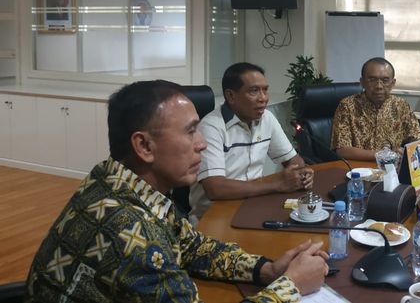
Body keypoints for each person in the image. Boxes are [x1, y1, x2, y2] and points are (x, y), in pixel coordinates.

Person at [25, 80, 328, 303]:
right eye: (190, 131)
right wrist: (291, 285)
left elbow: (192, 247)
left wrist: (266, 269)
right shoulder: (130, 230)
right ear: (144, 146)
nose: (202, 143)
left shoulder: (115, 180)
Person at [189, 63, 313, 222]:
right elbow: (215, 188)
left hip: (254, 205)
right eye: (254, 91)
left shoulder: (266, 118)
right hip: (214, 216)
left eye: (265, 90)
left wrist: (301, 173)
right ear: (231, 96)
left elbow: (293, 160)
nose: (263, 98)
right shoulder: (211, 127)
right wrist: (277, 183)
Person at [331, 57, 420, 161]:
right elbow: (342, 150)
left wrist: (411, 153)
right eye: (372, 80)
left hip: (393, 170)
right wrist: (383, 156)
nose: (379, 86)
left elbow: (418, 139)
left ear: (393, 83)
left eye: (385, 80)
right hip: (359, 170)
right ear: (362, 82)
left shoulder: (401, 105)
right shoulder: (347, 105)